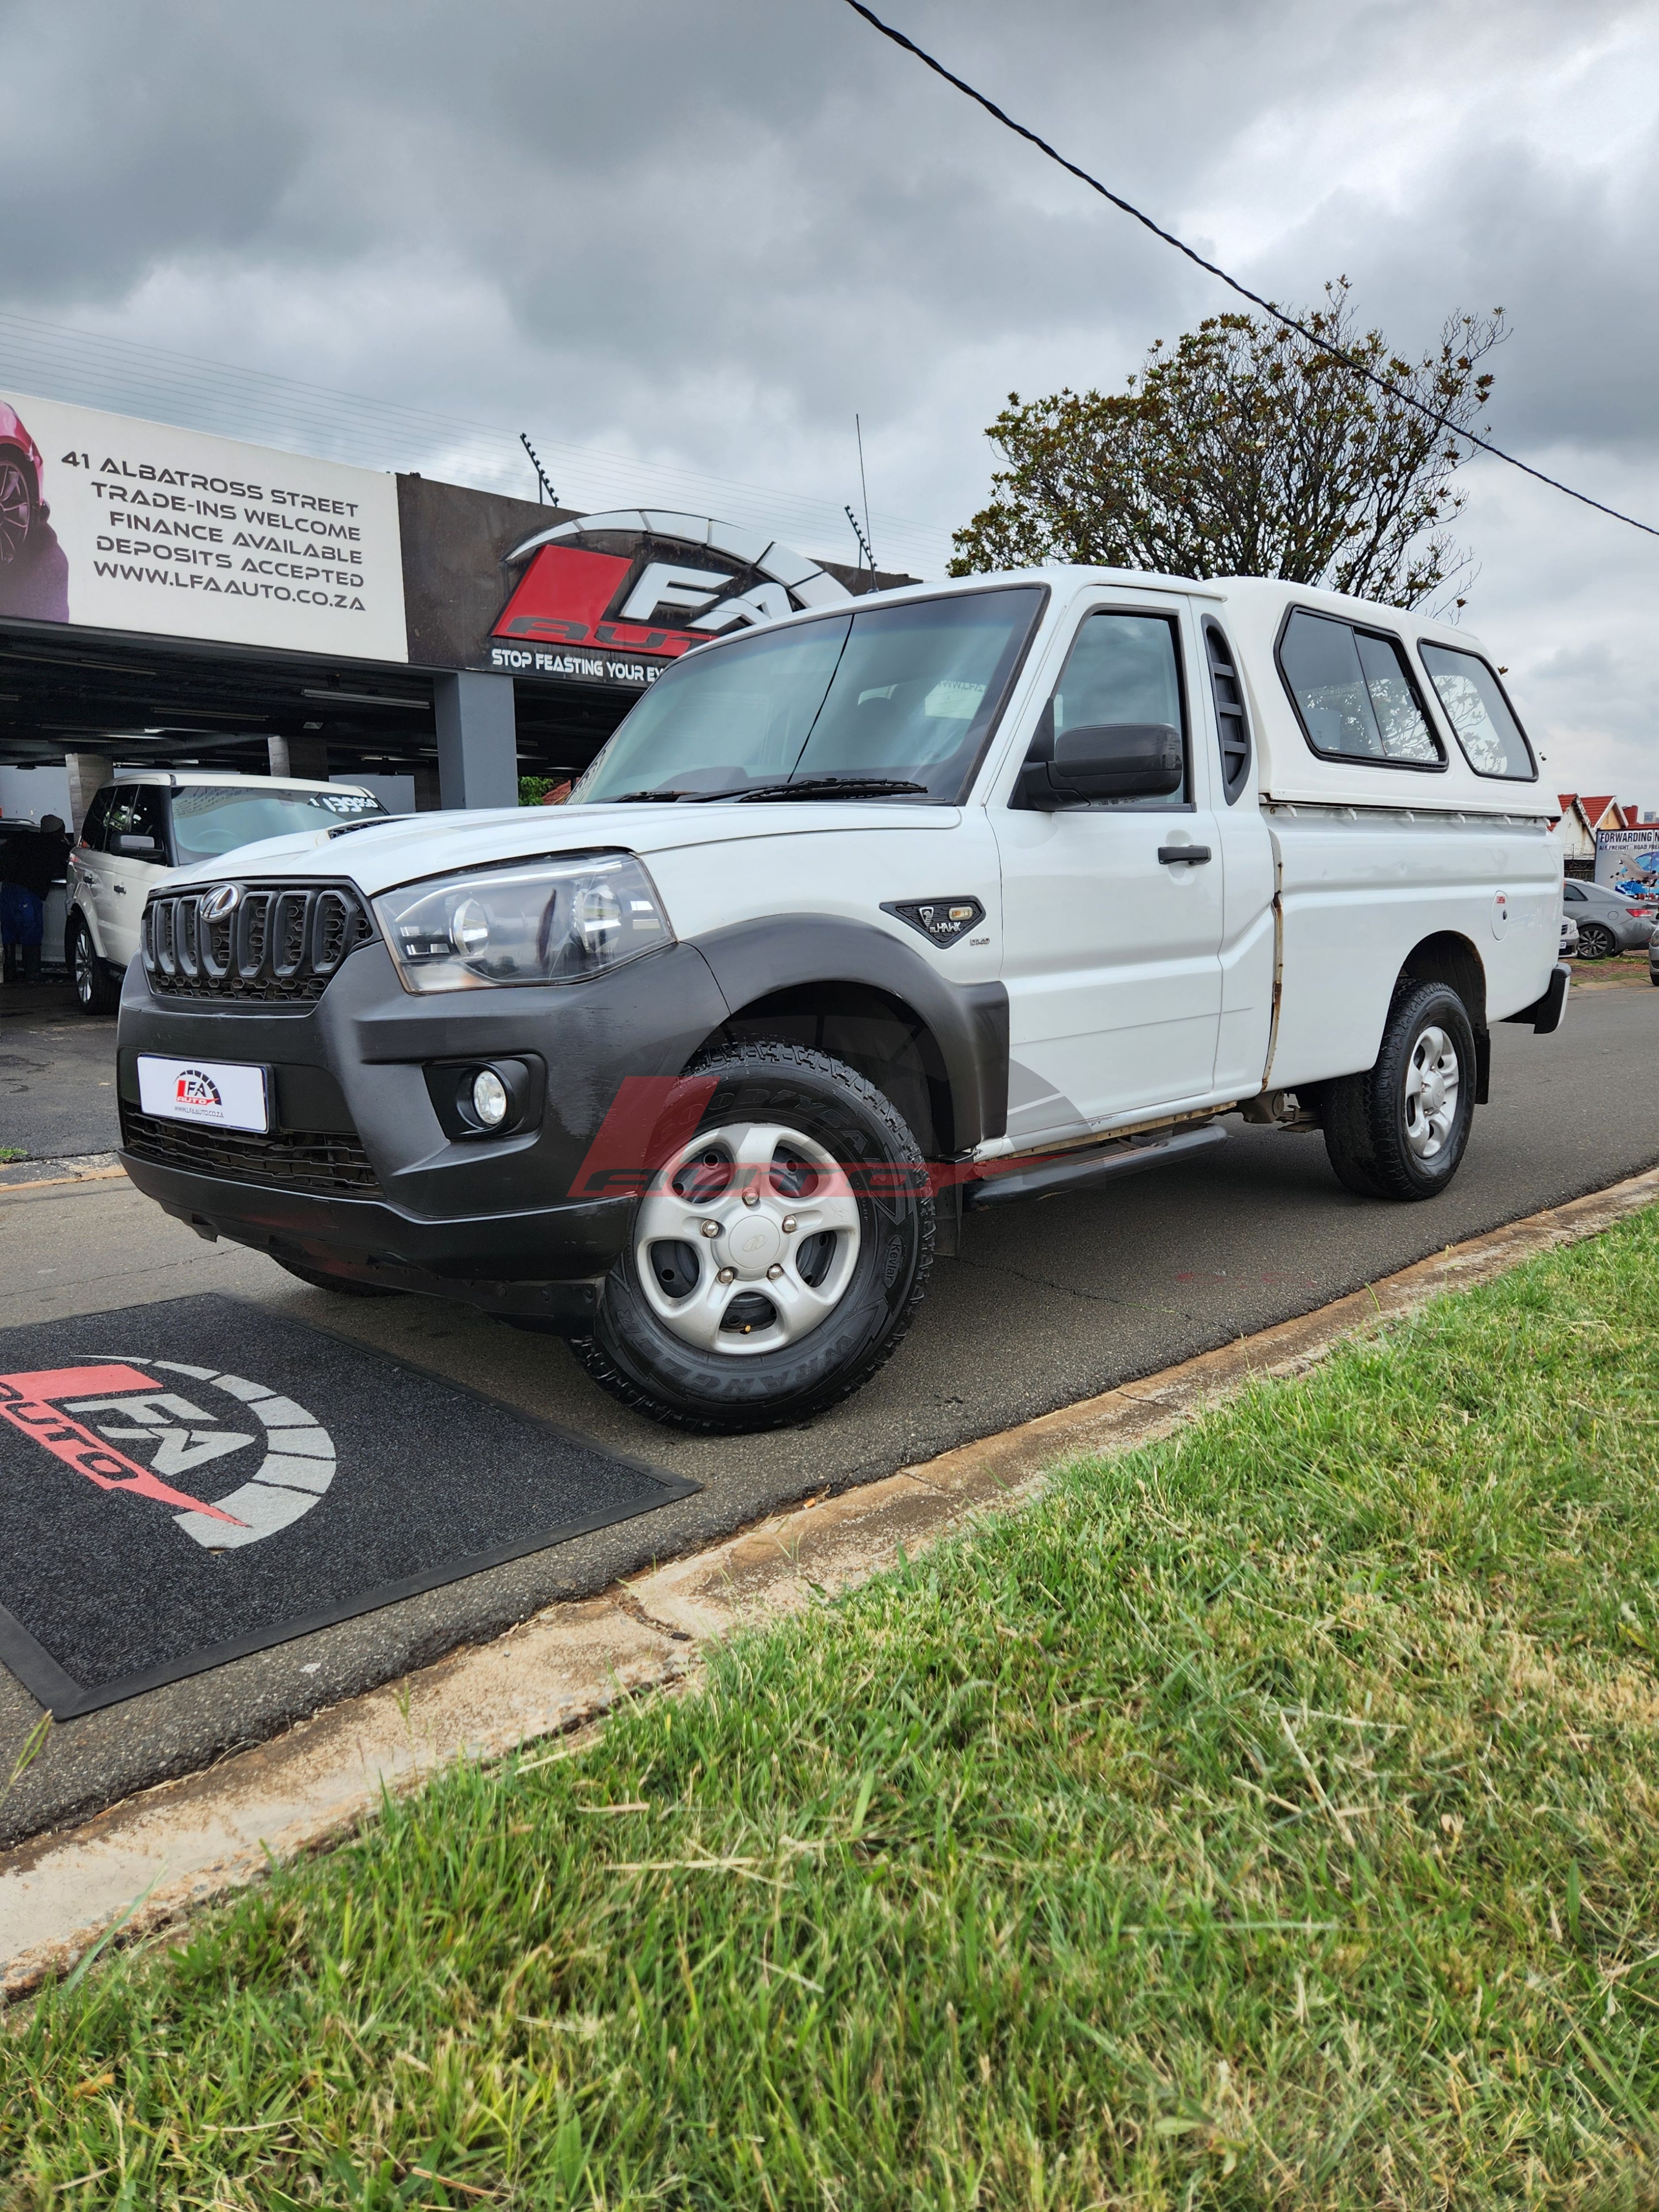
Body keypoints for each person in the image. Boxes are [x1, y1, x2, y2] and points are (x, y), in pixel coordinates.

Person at [0, 813, 70, 985]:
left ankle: (9, 972)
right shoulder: (56, 847)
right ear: (58, 832)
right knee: (31, 930)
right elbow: (71, 863)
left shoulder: (23, 839)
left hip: (8, 889)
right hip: (27, 893)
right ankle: (32, 973)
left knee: (9, 931)